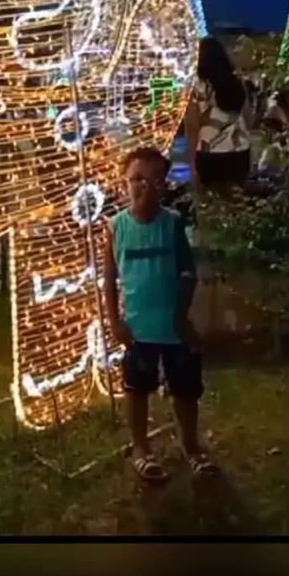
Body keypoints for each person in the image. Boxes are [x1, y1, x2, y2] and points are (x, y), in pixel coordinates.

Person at [104, 146, 215, 482]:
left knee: (185, 390)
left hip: (174, 329)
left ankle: (191, 447)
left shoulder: (173, 224)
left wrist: (181, 317)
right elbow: (109, 281)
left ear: (164, 185)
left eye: (153, 179)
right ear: (124, 183)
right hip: (138, 330)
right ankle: (141, 449)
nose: (144, 186)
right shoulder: (115, 228)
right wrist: (115, 322)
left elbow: (188, 273)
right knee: (137, 390)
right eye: (136, 179)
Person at [185, 36, 252, 193]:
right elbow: (249, 118)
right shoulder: (237, 82)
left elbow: (192, 125)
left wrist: (192, 164)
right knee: (236, 200)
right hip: (240, 153)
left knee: (211, 201)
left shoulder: (196, 86)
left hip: (210, 155)